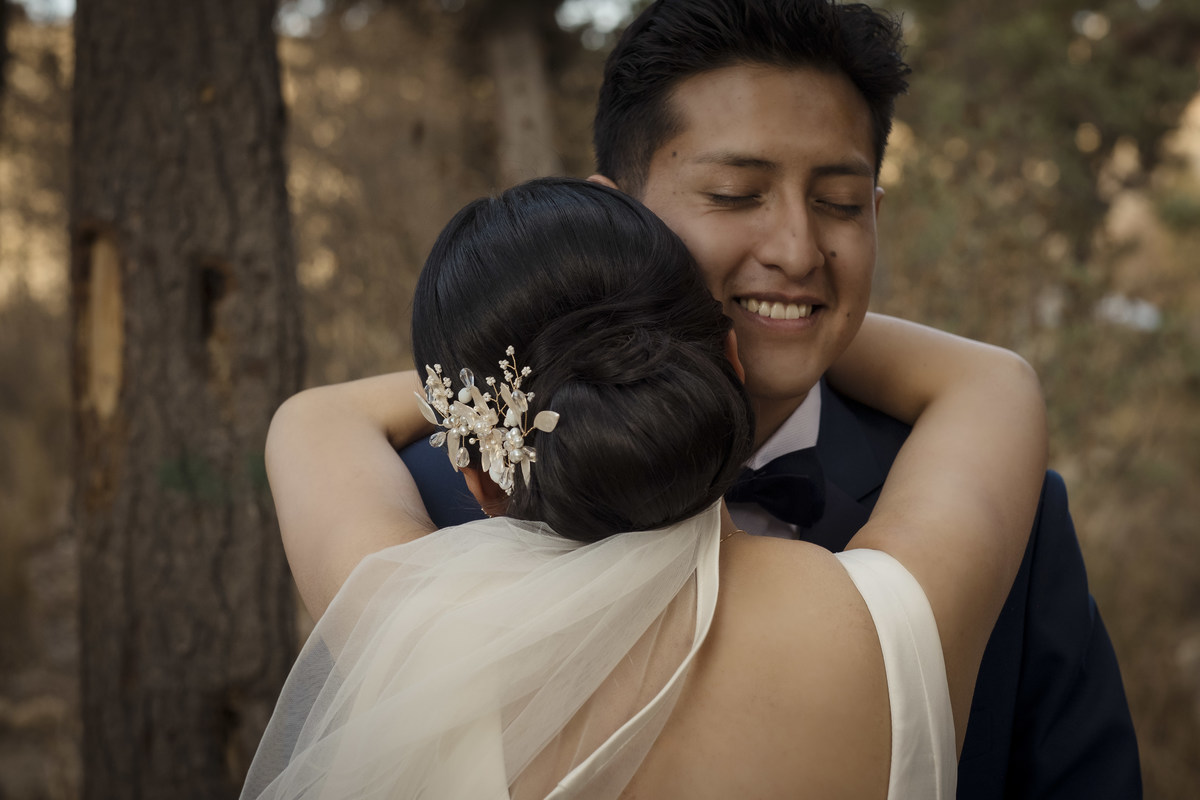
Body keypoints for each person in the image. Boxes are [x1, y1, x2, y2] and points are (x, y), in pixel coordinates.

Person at [403, 1, 1142, 798]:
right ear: (617, 216)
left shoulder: (1009, 506)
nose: (796, 250)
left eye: (840, 205)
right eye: (734, 193)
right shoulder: (429, 506)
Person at [245, 177, 1046, 799]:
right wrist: (780, 315)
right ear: (731, 366)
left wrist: (519, 385)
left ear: (479, 475)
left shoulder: (416, 638)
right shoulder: (891, 622)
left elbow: (318, 418)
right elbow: (992, 381)